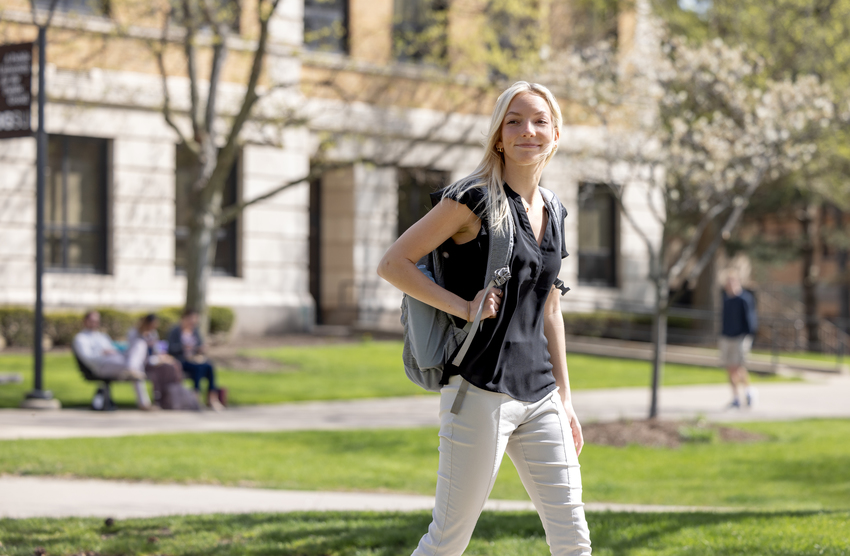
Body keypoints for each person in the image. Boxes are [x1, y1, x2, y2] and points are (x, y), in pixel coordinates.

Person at [377, 81, 591, 556]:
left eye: (539, 121)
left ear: (555, 134)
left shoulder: (555, 209)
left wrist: (566, 399)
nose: (527, 130)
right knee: (447, 541)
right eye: (514, 121)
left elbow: (550, 308)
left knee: (573, 538)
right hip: (478, 391)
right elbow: (393, 263)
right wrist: (464, 307)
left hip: (542, 396)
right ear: (498, 136)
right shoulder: (470, 200)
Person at [72, 310, 156, 410]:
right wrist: (102, 353)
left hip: (116, 361)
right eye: (92, 320)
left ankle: (131, 370)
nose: (95, 323)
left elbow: (114, 349)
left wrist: (116, 350)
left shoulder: (102, 336)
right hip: (101, 365)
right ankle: (143, 402)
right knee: (136, 368)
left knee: (139, 344)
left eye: (97, 321)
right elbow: (87, 358)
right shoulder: (80, 338)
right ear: (85, 321)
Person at [167, 309, 224, 410]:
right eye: (190, 319)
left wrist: (201, 349)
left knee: (209, 366)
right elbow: (170, 349)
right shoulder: (175, 331)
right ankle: (196, 397)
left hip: (195, 359)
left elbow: (199, 346)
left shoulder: (195, 331)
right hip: (181, 360)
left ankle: (212, 398)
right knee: (198, 368)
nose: (192, 322)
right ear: (184, 319)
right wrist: (183, 347)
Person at [127, 314, 186, 409]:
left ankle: (169, 398)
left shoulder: (153, 333)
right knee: (156, 372)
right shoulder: (135, 333)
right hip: (139, 362)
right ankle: (156, 399)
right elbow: (132, 349)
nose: (154, 326)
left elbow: (157, 350)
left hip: (153, 360)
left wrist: (162, 356)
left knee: (170, 367)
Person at [719, 271, 758, 409]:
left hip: (740, 337)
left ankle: (748, 391)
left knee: (737, 367)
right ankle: (736, 397)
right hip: (727, 336)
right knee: (730, 368)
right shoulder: (726, 299)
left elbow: (750, 320)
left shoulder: (744, 299)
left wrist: (749, 336)